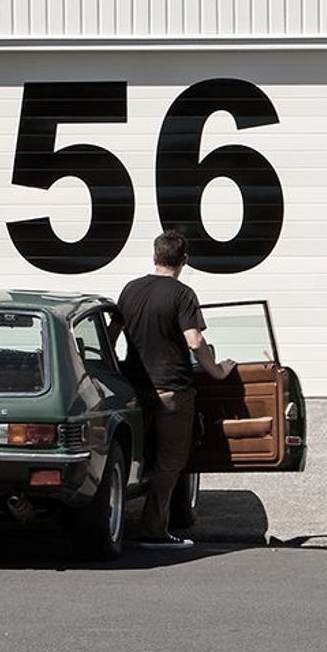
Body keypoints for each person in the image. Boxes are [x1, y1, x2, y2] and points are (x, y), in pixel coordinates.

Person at [115, 228, 235, 548]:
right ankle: (154, 530)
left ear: (155, 256)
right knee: (170, 462)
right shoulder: (183, 294)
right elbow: (194, 340)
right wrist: (217, 370)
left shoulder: (130, 290)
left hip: (134, 391)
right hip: (172, 390)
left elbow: (112, 335)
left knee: (133, 457)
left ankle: (116, 519)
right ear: (185, 260)